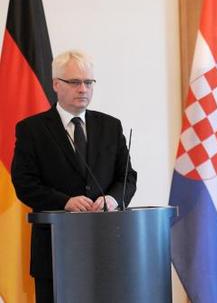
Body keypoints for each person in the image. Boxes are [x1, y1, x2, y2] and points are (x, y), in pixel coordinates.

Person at [11, 50, 137, 303]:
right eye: (75, 82)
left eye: (89, 82)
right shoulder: (32, 129)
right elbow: (25, 184)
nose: (83, 89)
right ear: (56, 84)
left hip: (107, 248)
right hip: (56, 251)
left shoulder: (111, 126)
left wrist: (112, 199)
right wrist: (64, 202)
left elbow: (127, 177)